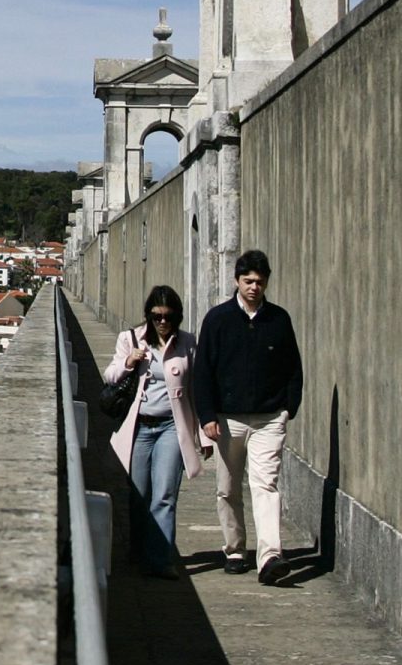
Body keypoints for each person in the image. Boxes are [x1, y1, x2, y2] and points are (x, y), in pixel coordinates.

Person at [192, 249, 304, 586]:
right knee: (227, 488)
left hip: (269, 418)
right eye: (248, 281)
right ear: (237, 282)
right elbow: (203, 372)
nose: (254, 287)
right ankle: (235, 549)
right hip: (228, 419)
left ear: (267, 282)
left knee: (265, 484)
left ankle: (270, 556)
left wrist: (288, 408)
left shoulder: (279, 320)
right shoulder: (218, 319)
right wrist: (207, 415)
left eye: (259, 281)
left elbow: (293, 367)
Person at [103, 284, 213, 578]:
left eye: (167, 316)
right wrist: (129, 362)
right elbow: (110, 375)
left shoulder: (187, 343)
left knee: (164, 495)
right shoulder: (131, 338)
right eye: (156, 316)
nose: (162, 322)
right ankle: (138, 552)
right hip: (139, 427)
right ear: (148, 316)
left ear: (176, 317)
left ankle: (161, 559)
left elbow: (195, 390)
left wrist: (202, 434)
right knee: (138, 495)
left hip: (171, 428)